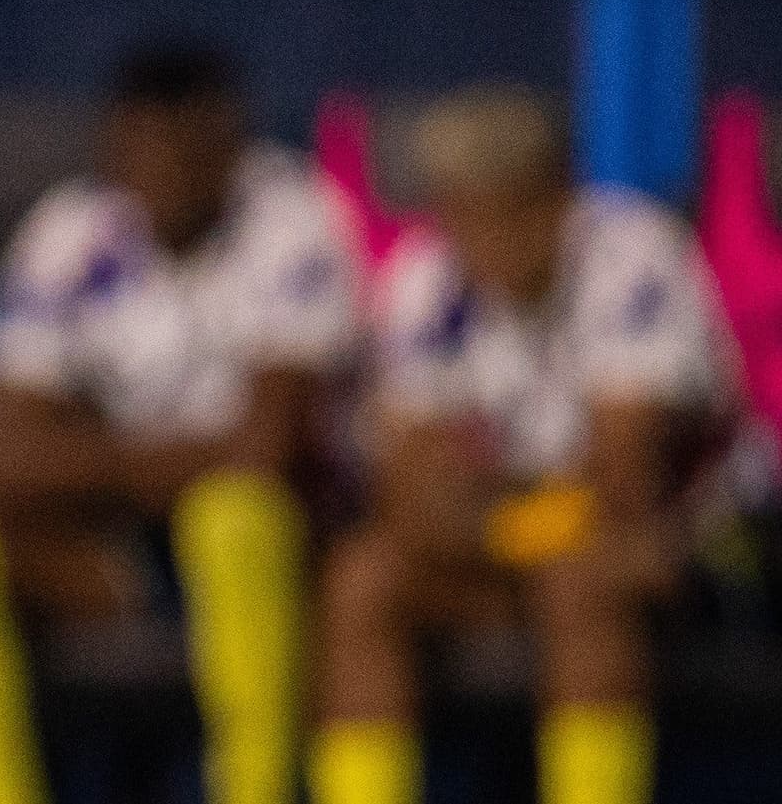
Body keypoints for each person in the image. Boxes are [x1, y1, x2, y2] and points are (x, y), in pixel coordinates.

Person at [0, 42, 363, 804]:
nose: (162, 170)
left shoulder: (292, 218)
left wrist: (79, 444)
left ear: (227, 140)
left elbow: (261, 455)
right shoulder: (73, 228)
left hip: (264, 547)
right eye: (141, 147)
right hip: (114, 548)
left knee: (232, 517)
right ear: (113, 145)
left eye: (186, 147)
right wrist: (168, 457)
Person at [314, 87, 734, 804]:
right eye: (458, 208)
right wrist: (508, 525)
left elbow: (624, 484)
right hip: (522, 547)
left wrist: (479, 507)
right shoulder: (428, 275)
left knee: (584, 578)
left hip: (698, 553)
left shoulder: (632, 254)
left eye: (498, 207)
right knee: (363, 579)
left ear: (554, 195)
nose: (475, 234)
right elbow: (407, 496)